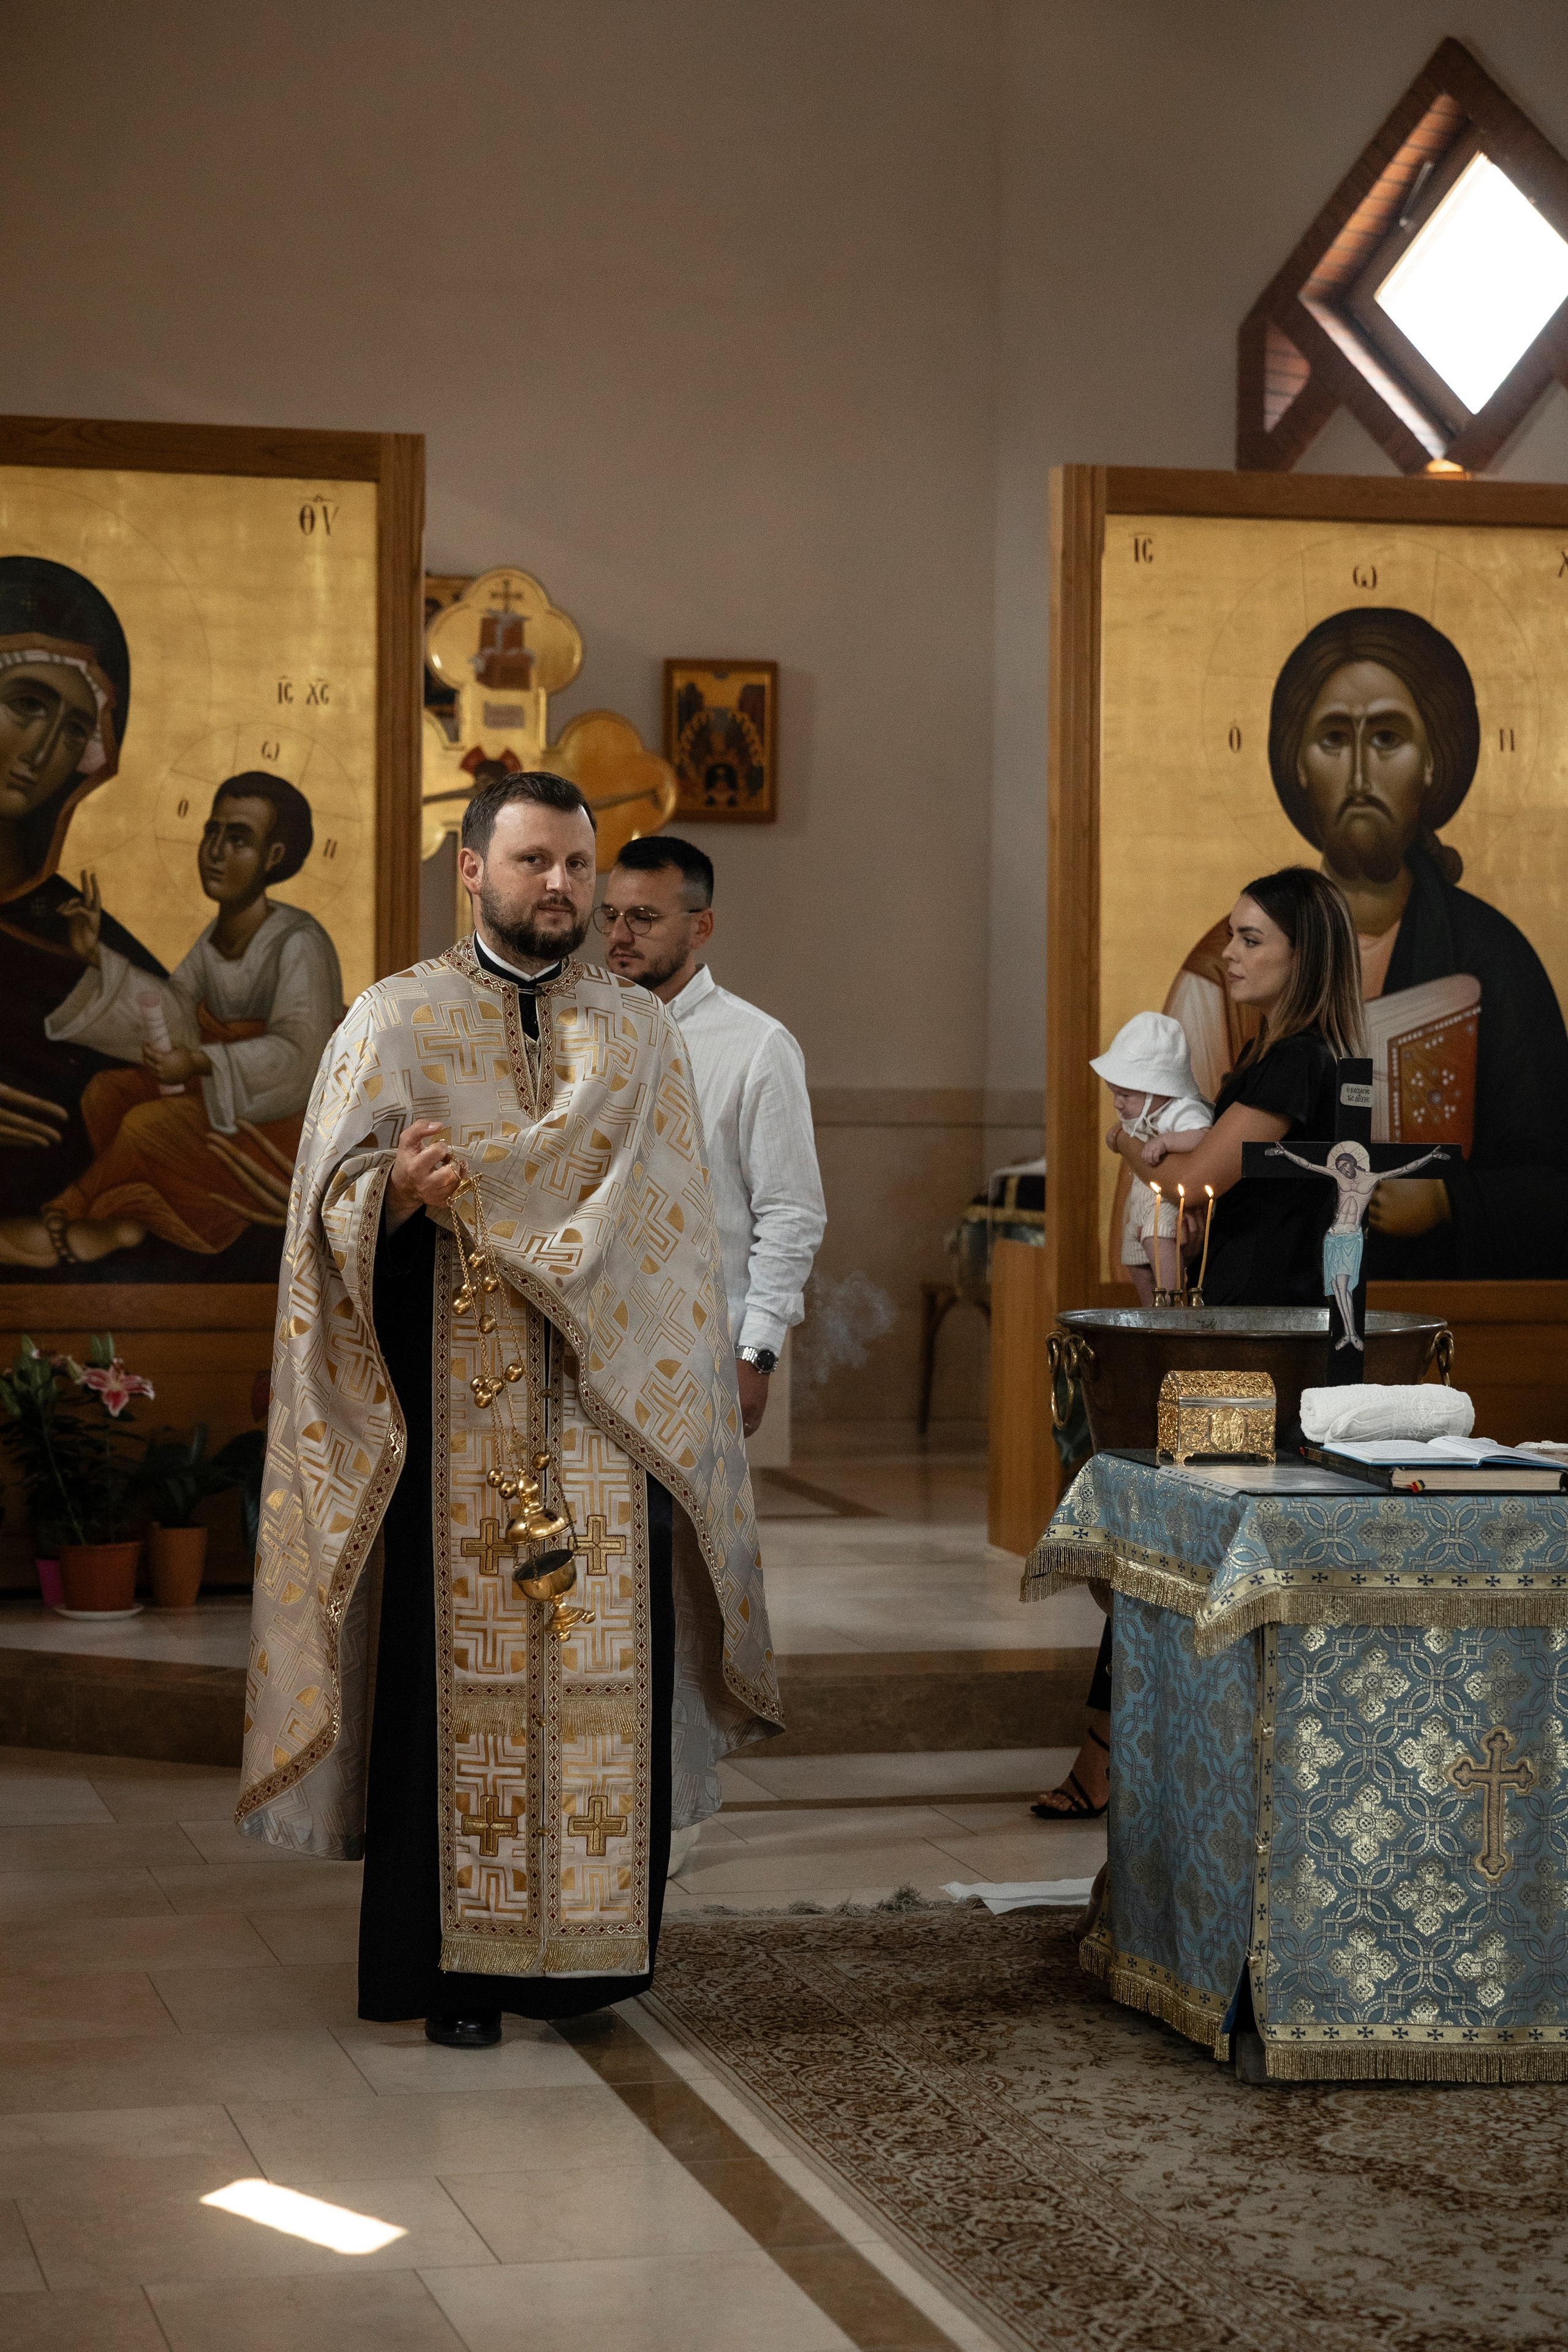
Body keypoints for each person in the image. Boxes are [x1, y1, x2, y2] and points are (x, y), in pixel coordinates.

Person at [237, 771, 781, 2048]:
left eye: (580, 867)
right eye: (534, 862)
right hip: (451, 1411)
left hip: (606, 1419)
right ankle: (456, 1977)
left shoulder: (637, 1035)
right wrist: (399, 1200)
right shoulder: (393, 1021)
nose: (562, 889)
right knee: (452, 1686)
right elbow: (321, 1227)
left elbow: (671, 1247)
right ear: (471, 870)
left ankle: (585, 1967)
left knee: (607, 1681)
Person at [1035, 865, 1365, 1823]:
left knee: (1176, 1539)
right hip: (1245, 1328)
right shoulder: (1275, 1058)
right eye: (1233, 934)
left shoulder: (1301, 1059)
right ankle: (1128, 1752)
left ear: (1307, 955)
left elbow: (1201, 1177)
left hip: (1276, 1342)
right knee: (1169, 1539)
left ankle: (1113, 1756)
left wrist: (1129, 1147)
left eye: (1252, 937)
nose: (1229, 953)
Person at [1156, 607, 1568, 1280]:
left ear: (1433, 761)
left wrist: (1446, 1199)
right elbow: (1186, 1182)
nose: (1357, 775)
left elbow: (1551, 1181)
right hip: (1277, 1289)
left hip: (1439, 1308)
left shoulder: (1493, 960)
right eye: (1332, 739)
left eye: (1385, 738)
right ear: (1296, 763)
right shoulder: (1217, 973)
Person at [0, 774, 341, 1266]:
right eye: (212, 832)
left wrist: (200, 1061)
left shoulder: (298, 942)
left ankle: (66, 1218)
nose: (216, 851)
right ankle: (133, 1220)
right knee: (106, 1093)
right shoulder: (216, 936)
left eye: (239, 839)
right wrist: (96, 955)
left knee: (144, 1125)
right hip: (234, 1099)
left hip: (282, 1125)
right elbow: (176, 1012)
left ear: (273, 857)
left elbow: (299, 1058)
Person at [596, 834, 825, 1446]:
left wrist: (757, 1353)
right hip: (591, 1350)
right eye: (611, 915)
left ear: (701, 928)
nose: (620, 934)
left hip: (703, 1355)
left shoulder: (757, 1046)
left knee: (694, 1542)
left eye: (643, 918)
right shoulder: (581, 1033)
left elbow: (792, 1213)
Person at [0, 555, 168, 1229]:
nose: (41, 750)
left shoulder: (77, 936)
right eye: (27, 704)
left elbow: (202, 1099)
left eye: (74, 728)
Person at [1089, 1012, 1211, 1306]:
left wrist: (1167, 1141)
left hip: (1168, 1201)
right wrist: (1118, 1132)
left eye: (1126, 1095)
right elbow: (1131, 1130)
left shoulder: (1183, 1109)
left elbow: (1204, 1136)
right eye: (1114, 1094)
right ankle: (1151, 1311)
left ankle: (1171, 1305)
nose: (1118, 1103)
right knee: (1135, 1259)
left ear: (1160, 1087)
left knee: (1159, 1246)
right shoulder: (1143, 1111)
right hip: (1142, 1198)